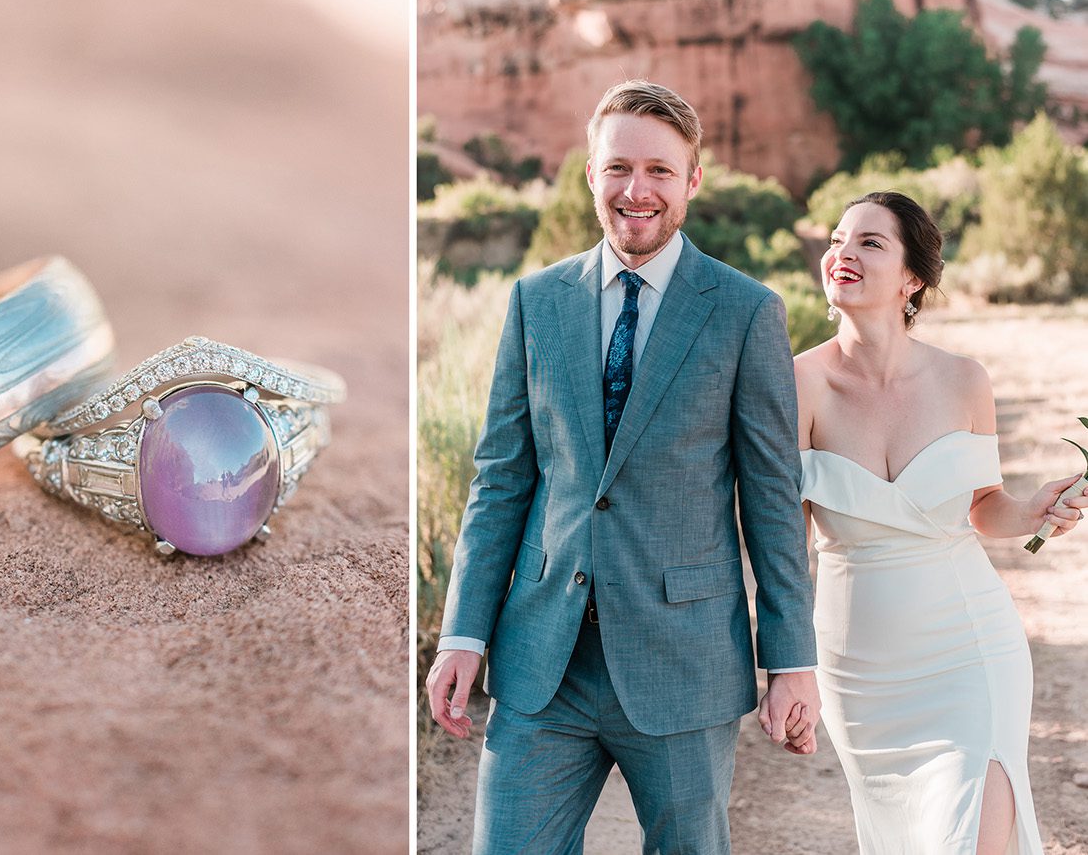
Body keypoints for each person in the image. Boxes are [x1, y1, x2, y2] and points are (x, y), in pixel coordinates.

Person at [425, 79, 820, 855]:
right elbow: (502, 477)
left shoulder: (746, 311)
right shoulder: (535, 301)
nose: (636, 191)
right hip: (542, 660)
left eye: (660, 171)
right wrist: (462, 631)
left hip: (686, 661)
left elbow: (773, 499)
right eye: (617, 168)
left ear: (693, 180)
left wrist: (792, 661)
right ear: (590, 173)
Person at [797, 190, 1085, 854]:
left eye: (871, 242)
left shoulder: (963, 380)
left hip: (969, 648)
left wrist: (1037, 507)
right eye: (839, 239)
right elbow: (786, 544)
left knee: (976, 829)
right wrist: (790, 666)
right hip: (860, 668)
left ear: (912, 278)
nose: (844, 252)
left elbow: (983, 506)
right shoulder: (797, 383)